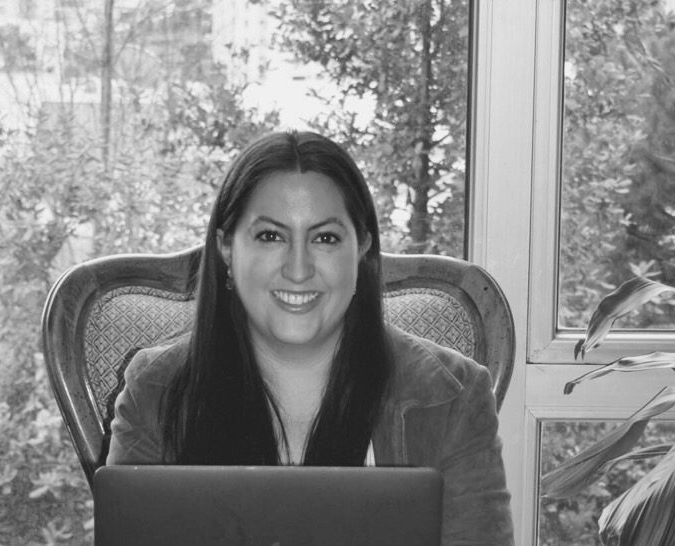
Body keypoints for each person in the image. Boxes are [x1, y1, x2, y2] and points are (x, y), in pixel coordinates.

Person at [106, 129, 514, 545]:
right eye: (270, 236)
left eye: (325, 238)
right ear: (226, 248)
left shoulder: (454, 396)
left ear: (362, 249)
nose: (298, 269)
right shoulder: (155, 389)